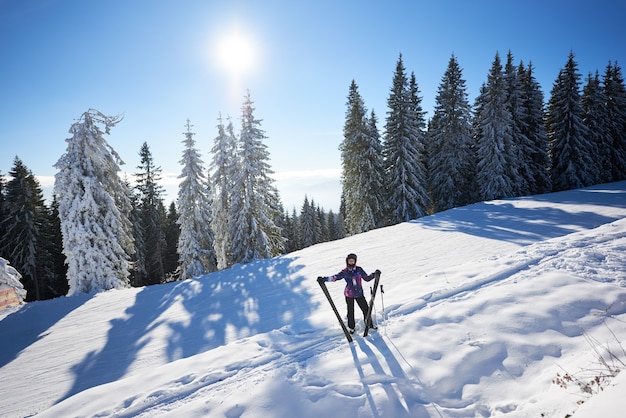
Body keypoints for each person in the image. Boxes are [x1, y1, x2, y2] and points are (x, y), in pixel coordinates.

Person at [318, 253, 380, 334]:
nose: (351, 262)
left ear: (355, 261)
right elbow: (335, 277)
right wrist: (324, 279)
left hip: (359, 293)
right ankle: (351, 328)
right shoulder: (345, 271)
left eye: (352, 260)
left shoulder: (359, 269)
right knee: (350, 311)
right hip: (349, 294)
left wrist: (374, 274)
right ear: (347, 261)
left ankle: (369, 325)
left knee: (366, 309)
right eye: (349, 260)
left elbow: (367, 278)